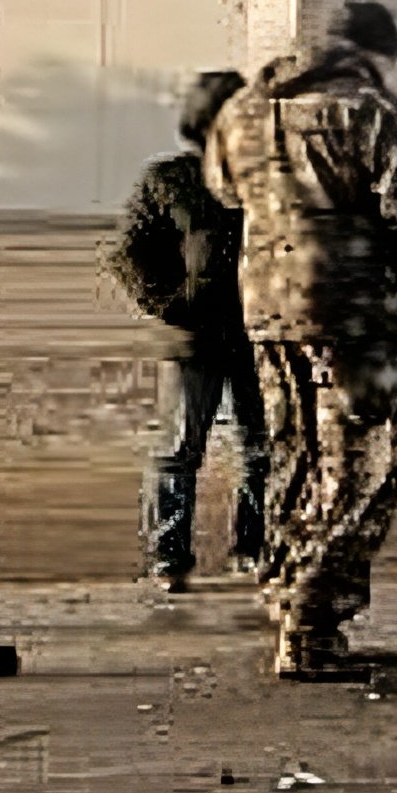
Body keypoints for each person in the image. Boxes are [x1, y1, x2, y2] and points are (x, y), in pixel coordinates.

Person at [204, 1, 397, 678]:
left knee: (295, 455)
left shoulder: (243, 109)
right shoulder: (368, 108)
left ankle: (285, 595)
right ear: (376, 53)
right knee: (366, 465)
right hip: (356, 314)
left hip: (267, 308)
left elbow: (223, 191)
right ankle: (313, 622)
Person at [110, 70, 267, 593]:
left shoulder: (271, 181)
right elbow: (130, 253)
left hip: (262, 335)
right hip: (194, 340)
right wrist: (173, 304)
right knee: (181, 447)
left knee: (260, 447)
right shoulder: (170, 179)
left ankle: (253, 548)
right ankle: (169, 555)